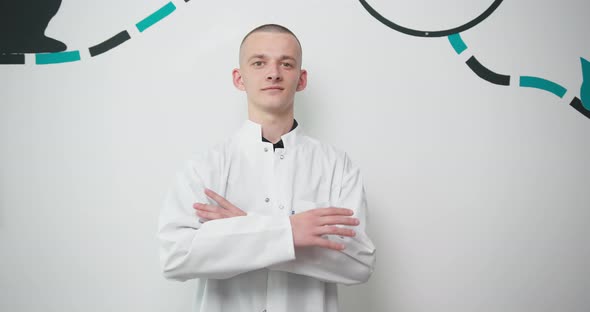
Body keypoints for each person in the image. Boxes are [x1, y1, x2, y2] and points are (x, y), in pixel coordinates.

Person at [158, 24, 376, 312]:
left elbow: (359, 263)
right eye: (259, 63)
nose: (273, 73)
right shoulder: (204, 167)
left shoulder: (337, 166)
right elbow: (175, 256)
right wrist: (289, 231)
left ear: (301, 79)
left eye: (286, 64)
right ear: (239, 78)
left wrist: (242, 228)